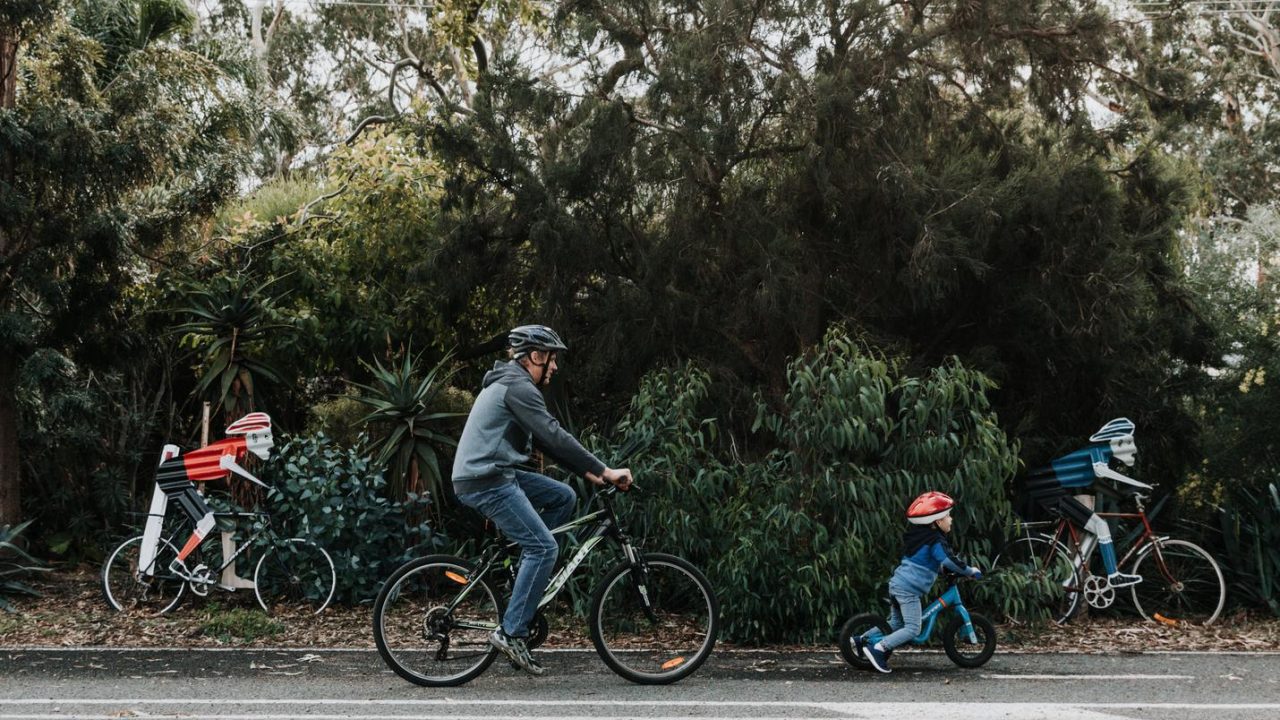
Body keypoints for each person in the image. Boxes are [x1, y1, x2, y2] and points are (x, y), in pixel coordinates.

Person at [451, 324, 632, 676]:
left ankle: (529, 577)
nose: (555, 367)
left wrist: (590, 473)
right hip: (485, 479)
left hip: (495, 473)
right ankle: (512, 630)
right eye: (551, 358)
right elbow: (554, 434)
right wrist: (605, 470)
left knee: (562, 496)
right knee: (545, 548)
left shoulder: (512, 383)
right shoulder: (517, 386)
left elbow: (547, 442)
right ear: (534, 355)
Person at [859, 491, 982, 674]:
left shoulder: (922, 539)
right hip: (908, 590)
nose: (951, 519)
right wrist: (970, 570)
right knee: (913, 629)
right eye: (948, 516)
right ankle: (879, 649)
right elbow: (949, 560)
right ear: (937, 521)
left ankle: (860, 640)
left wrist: (943, 571)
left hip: (898, 585)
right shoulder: (936, 541)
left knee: (896, 624)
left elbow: (927, 562)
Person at [1023, 418, 1151, 589]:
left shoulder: (1100, 457)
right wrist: (1139, 484)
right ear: (1119, 442)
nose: (1133, 449)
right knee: (1101, 525)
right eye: (1130, 443)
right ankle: (1113, 576)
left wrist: (1120, 496)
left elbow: (1095, 483)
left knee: (1096, 530)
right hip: (1048, 487)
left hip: (1050, 487)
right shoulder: (1098, 451)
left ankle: (1070, 581)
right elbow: (1101, 471)